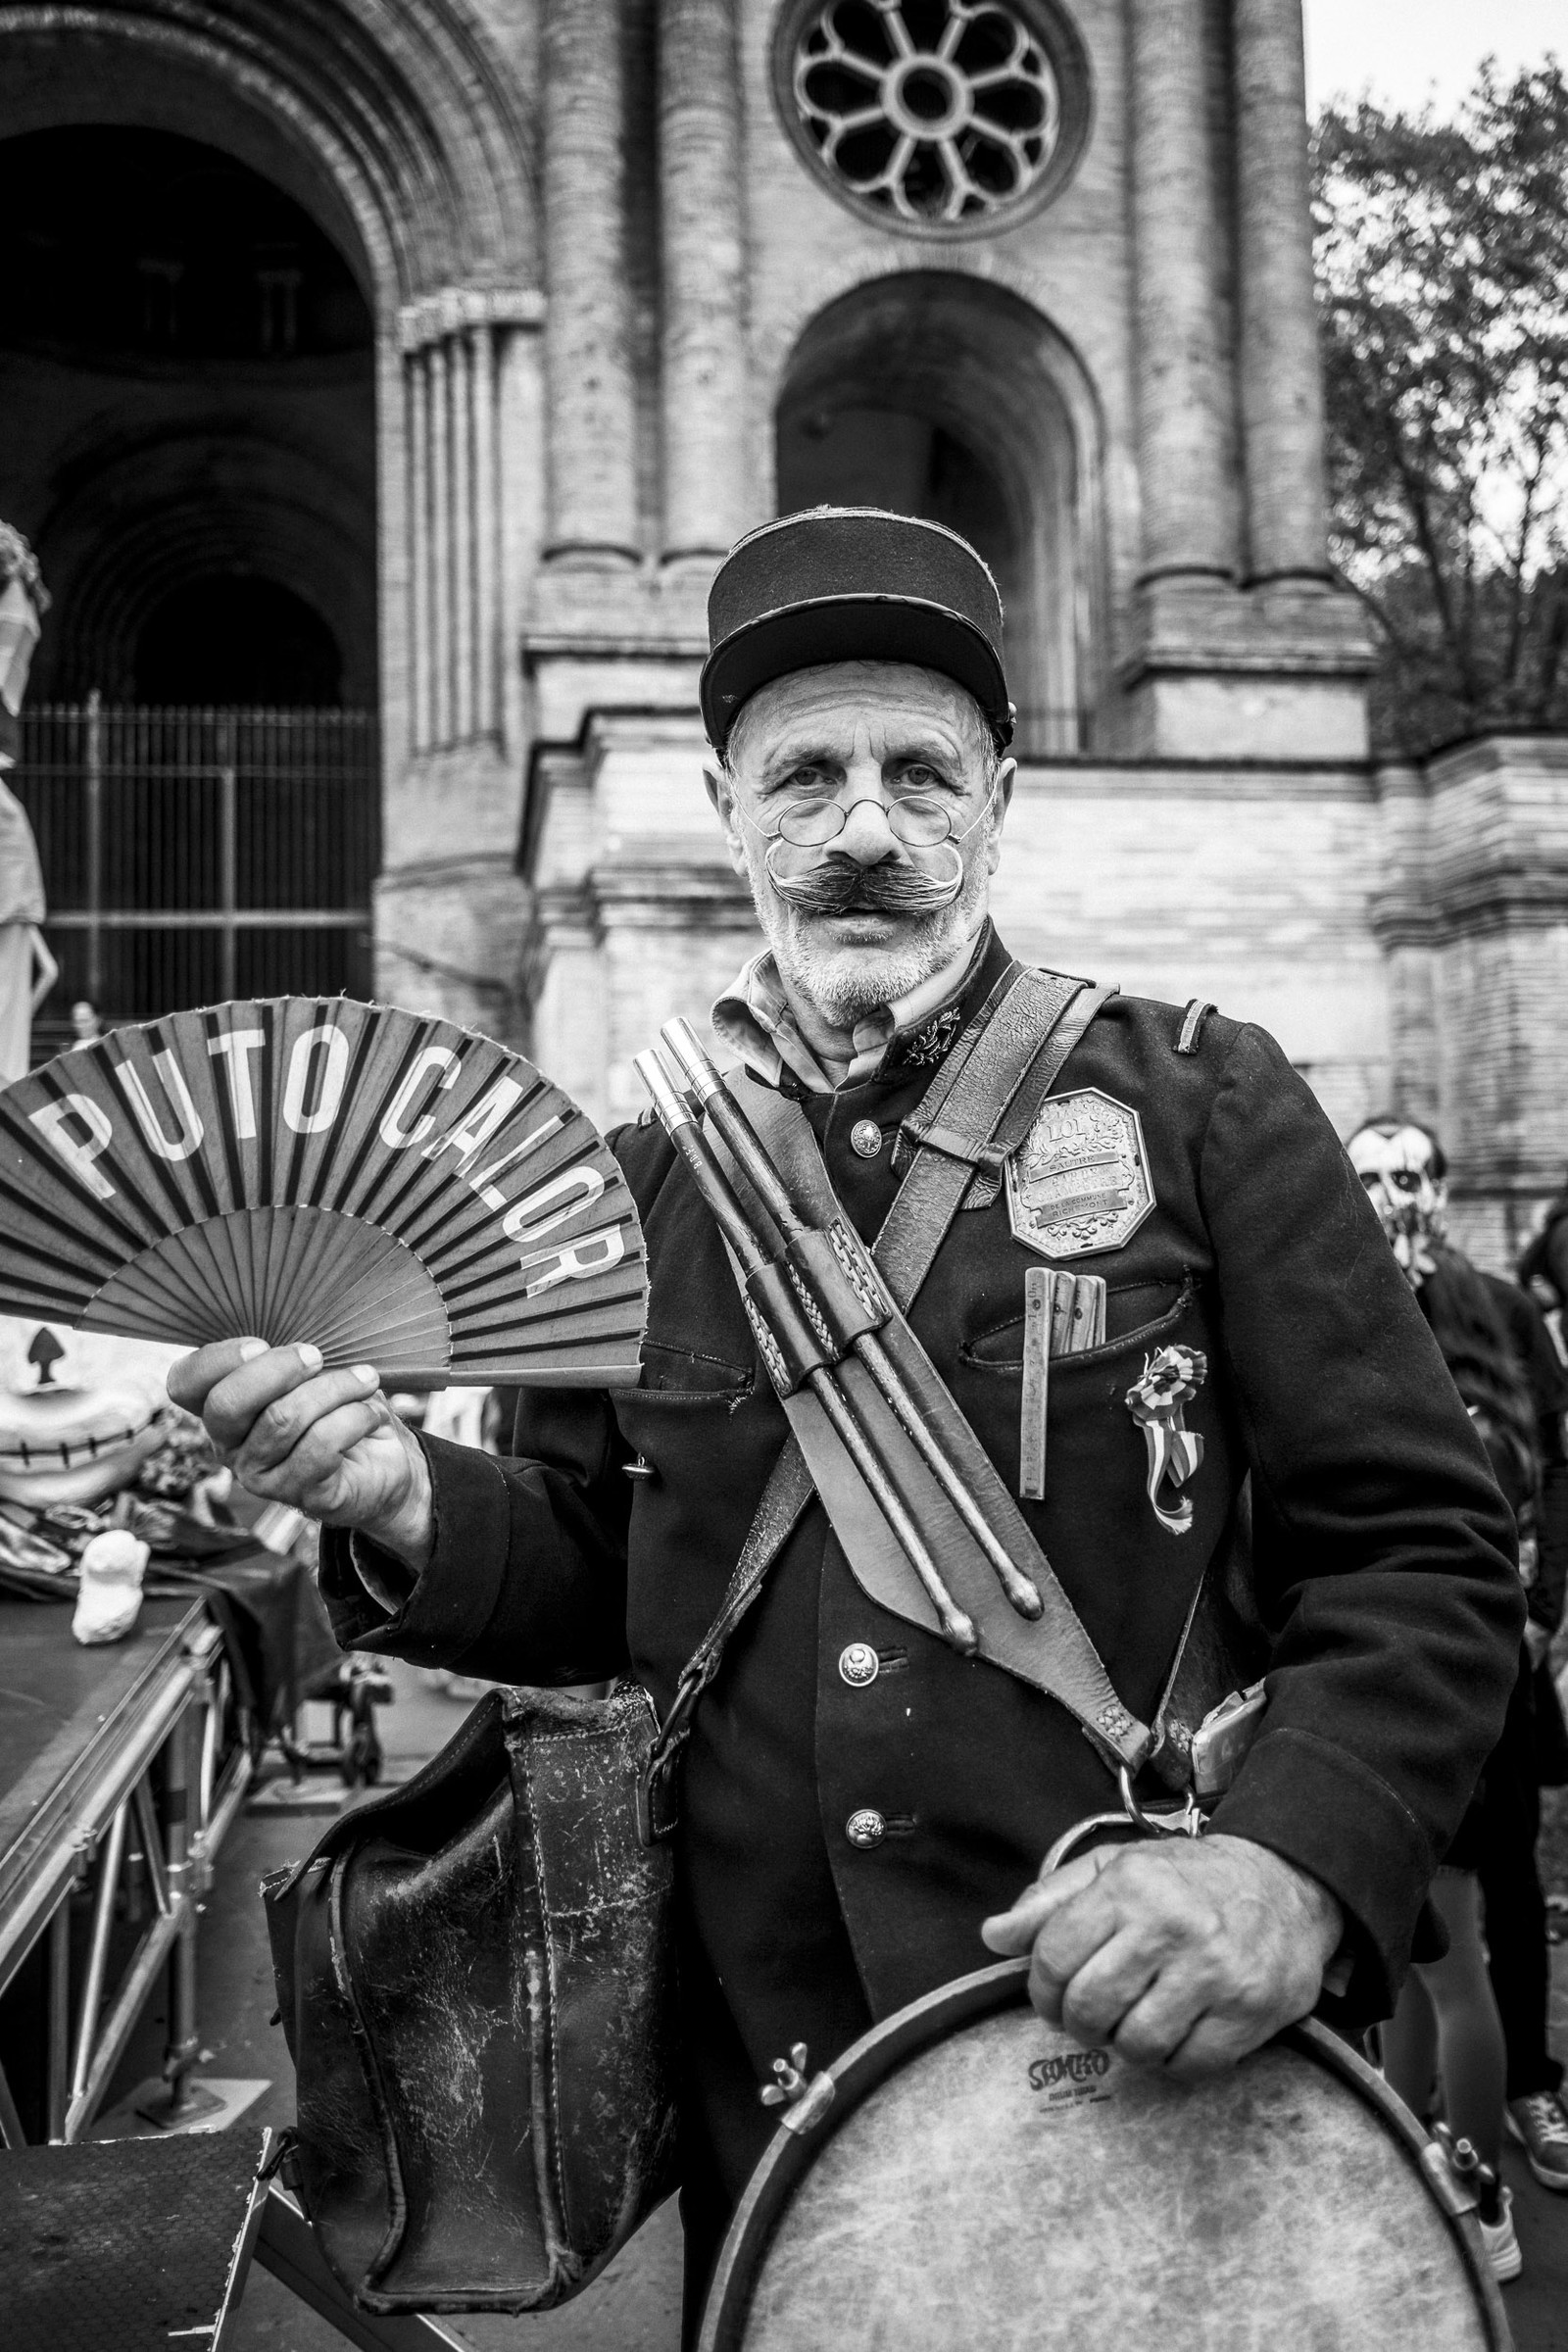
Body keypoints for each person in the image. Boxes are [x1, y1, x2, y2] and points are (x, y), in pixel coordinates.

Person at [171, 510, 1523, 2331]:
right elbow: (611, 1584)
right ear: (729, 803)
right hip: (778, 2109)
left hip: (1156, 2051)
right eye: (806, 776)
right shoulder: (637, 1183)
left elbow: (1424, 1553)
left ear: (1000, 795)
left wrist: (1294, 1864)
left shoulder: (1205, 1099)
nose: (866, 830)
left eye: (919, 773)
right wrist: (402, 1494)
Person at [1350, 1118, 1568, 2217]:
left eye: (1406, 1176)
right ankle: (1417, 2128)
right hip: (1391, 1658)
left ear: (1439, 1188)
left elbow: (1543, 1460)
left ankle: (1506, 2126)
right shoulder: (1341, 1302)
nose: (1390, 1197)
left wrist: (1542, 1610)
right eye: (1367, 1179)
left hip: (1490, 1660)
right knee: (1419, 1926)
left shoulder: (1496, 1309)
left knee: (1485, 1912)